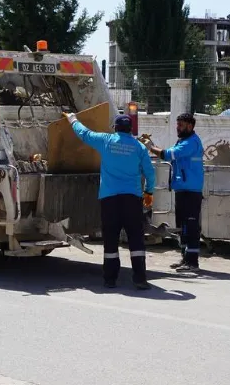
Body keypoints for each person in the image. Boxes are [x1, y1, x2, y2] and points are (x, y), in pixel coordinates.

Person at [66, 112, 155, 290]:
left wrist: (73, 119)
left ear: (115, 128)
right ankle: (140, 278)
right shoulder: (139, 147)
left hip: (109, 199)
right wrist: (149, 192)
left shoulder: (106, 140)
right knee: (136, 239)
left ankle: (110, 279)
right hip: (132, 199)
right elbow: (150, 173)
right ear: (130, 129)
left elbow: (85, 134)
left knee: (111, 238)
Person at [146, 112, 204, 272]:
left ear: (190, 126)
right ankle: (185, 258)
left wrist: (150, 147)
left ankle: (192, 262)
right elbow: (169, 153)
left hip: (191, 190)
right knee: (182, 226)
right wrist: (153, 146)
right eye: (177, 125)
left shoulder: (191, 142)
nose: (177, 128)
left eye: (181, 125)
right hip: (182, 188)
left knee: (191, 226)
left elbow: (169, 154)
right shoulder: (183, 141)